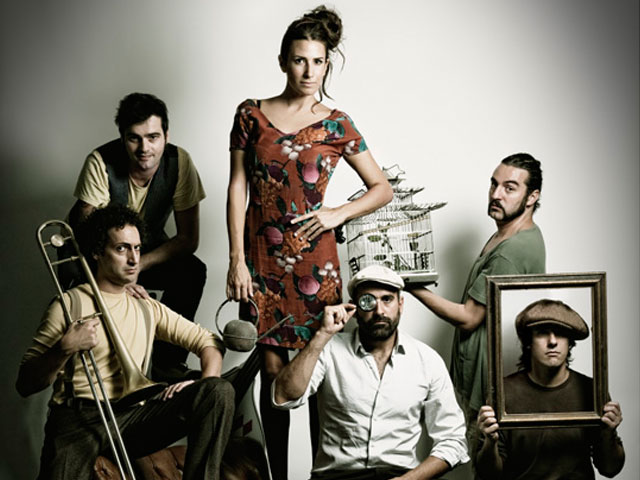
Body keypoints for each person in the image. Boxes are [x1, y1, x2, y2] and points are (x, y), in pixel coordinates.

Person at [226, 6, 393, 479]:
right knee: (271, 374)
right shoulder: (251, 114)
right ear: (283, 61)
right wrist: (236, 259)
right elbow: (237, 186)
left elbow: (382, 188)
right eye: (299, 60)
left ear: (327, 64)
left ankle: (322, 475)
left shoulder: (337, 124)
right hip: (261, 261)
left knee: (317, 372)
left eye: (318, 62)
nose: (308, 71)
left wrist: (336, 213)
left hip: (316, 265)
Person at [17, 206, 234, 480]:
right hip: (77, 420)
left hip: (131, 418)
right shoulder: (68, 304)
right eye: (121, 249)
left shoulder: (146, 305)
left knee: (217, 390)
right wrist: (64, 348)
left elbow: (209, 341)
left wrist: (202, 382)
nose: (133, 259)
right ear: (97, 252)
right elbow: (25, 383)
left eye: (137, 248)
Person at [272, 265, 469, 480]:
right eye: (368, 301)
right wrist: (322, 334)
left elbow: (453, 441)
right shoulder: (329, 349)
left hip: (401, 475)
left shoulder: (427, 360)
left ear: (401, 304)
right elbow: (283, 398)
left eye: (387, 299)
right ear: (355, 308)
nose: (379, 311)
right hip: (337, 476)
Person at [405, 153, 546, 453]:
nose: (496, 194)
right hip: (490, 379)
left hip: (490, 387)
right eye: (494, 184)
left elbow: (470, 317)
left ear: (532, 197)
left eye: (510, 188)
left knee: (488, 465)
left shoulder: (511, 250)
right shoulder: (509, 234)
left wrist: (411, 286)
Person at [68, 92, 207, 383]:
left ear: (166, 136)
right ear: (122, 137)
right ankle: (99, 376)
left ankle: (167, 363)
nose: (145, 148)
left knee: (192, 271)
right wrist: (119, 274)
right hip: (93, 256)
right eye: (134, 138)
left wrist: (137, 267)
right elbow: (86, 235)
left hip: (139, 254)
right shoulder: (100, 161)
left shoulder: (180, 162)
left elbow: (188, 239)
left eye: (153, 137)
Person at [476, 299, 625, 479]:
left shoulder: (592, 390)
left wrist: (609, 433)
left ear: (570, 342)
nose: (552, 341)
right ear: (528, 341)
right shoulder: (503, 392)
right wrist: (489, 442)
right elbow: (489, 476)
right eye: (542, 333)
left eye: (561, 333)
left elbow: (610, 469)